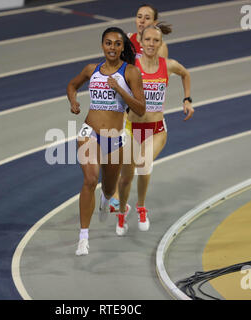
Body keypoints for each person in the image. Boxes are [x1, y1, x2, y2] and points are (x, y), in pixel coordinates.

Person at [66, 27, 146, 255]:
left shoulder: (130, 72)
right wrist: (73, 102)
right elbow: (72, 85)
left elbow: (140, 110)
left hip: (114, 137)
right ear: (102, 45)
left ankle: (106, 199)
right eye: (108, 43)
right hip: (88, 131)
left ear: (123, 48)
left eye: (117, 44)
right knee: (90, 179)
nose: (112, 47)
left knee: (109, 188)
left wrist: (120, 89)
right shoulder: (92, 70)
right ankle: (83, 237)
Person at [115, 24, 194, 236]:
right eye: (147, 40)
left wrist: (187, 100)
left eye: (155, 41)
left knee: (143, 163)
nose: (151, 44)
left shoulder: (168, 65)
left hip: (157, 129)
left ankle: (141, 207)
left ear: (161, 44)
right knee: (125, 179)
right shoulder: (131, 66)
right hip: (131, 128)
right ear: (140, 42)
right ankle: (122, 212)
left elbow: (185, 74)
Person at [109, 4, 172, 211]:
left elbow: (157, 76)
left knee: (133, 160)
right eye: (139, 17)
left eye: (147, 18)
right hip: (126, 107)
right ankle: (114, 196)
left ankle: (123, 197)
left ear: (154, 23)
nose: (142, 21)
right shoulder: (127, 40)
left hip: (143, 108)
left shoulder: (158, 47)